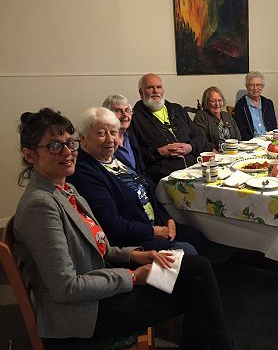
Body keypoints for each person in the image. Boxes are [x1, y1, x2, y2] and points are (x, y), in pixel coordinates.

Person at [13, 108, 231, 348]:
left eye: (69, 143)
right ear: (30, 155)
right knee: (195, 286)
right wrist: (134, 276)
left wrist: (135, 254)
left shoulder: (65, 189)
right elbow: (66, 287)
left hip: (102, 284)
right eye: (54, 146)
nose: (67, 152)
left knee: (197, 268)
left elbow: (98, 245)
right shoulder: (40, 205)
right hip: (85, 313)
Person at [67, 107, 203, 255]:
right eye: (101, 133)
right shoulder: (84, 172)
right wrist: (155, 231)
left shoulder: (116, 158)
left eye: (113, 132)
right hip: (135, 241)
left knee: (200, 236)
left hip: (154, 225)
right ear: (83, 139)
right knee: (189, 251)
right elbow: (112, 226)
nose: (110, 139)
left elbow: (146, 191)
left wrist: (168, 219)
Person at [130, 73, 206, 182]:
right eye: (150, 87)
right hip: (164, 178)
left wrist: (191, 147)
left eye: (159, 87)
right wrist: (159, 152)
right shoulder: (134, 118)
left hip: (194, 171)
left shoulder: (177, 109)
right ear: (141, 93)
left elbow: (200, 137)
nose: (155, 91)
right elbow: (133, 154)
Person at [102, 94, 147, 176]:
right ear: (107, 115)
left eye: (127, 110)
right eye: (118, 111)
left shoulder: (130, 137)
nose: (125, 115)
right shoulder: (105, 143)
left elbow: (141, 171)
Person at [193, 86, 241, 151]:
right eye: (213, 101)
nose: (217, 104)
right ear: (206, 102)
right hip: (213, 156)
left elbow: (238, 137)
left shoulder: (227, 116)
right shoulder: (201, 116)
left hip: (232, 153)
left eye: (220, 100)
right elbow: (201, 141)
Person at [233, 71, 278, 140]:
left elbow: (274, 126)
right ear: (247, 86)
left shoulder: (268, 103)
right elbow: (241, 132)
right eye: (252, 85)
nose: (255, 88)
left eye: (258, 85)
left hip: (269, 141)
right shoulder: (240, 105)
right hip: (251, 144)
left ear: (262, 86)